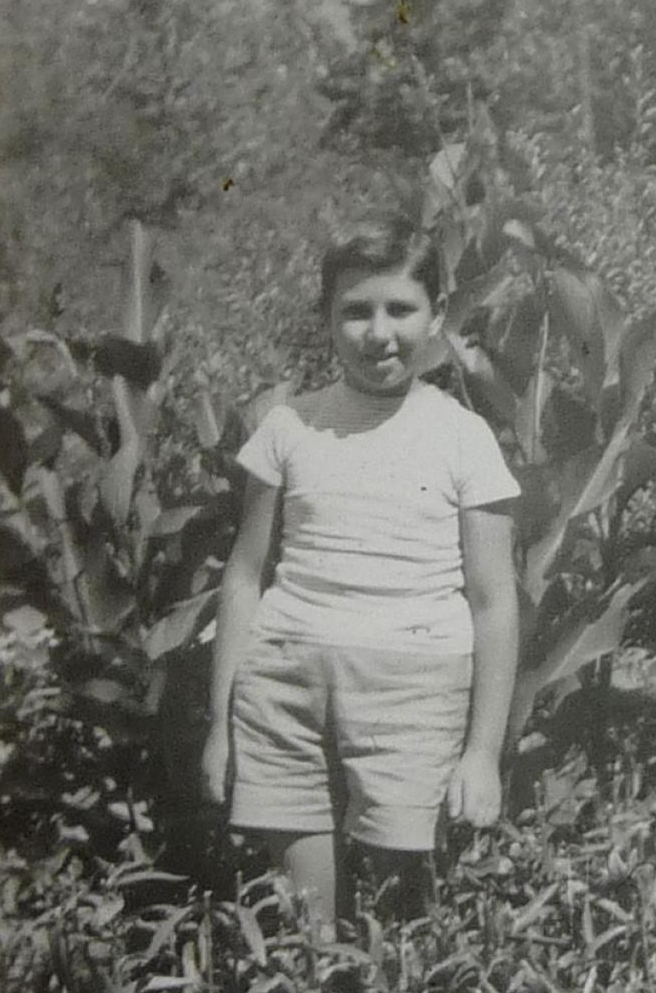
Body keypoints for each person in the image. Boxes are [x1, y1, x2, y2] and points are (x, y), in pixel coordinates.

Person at [199, 218, 521, 930]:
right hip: (284, 685)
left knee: (405, 915)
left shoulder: (462, 437)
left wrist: (482, 753)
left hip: (414, 689)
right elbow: (245, 576)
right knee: (304, 917)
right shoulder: (290, 426)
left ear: (436, 317)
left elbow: (494, 602)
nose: (379, 333)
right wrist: (221, 726)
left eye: (400, 309)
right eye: (356, 311)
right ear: (326, 320)